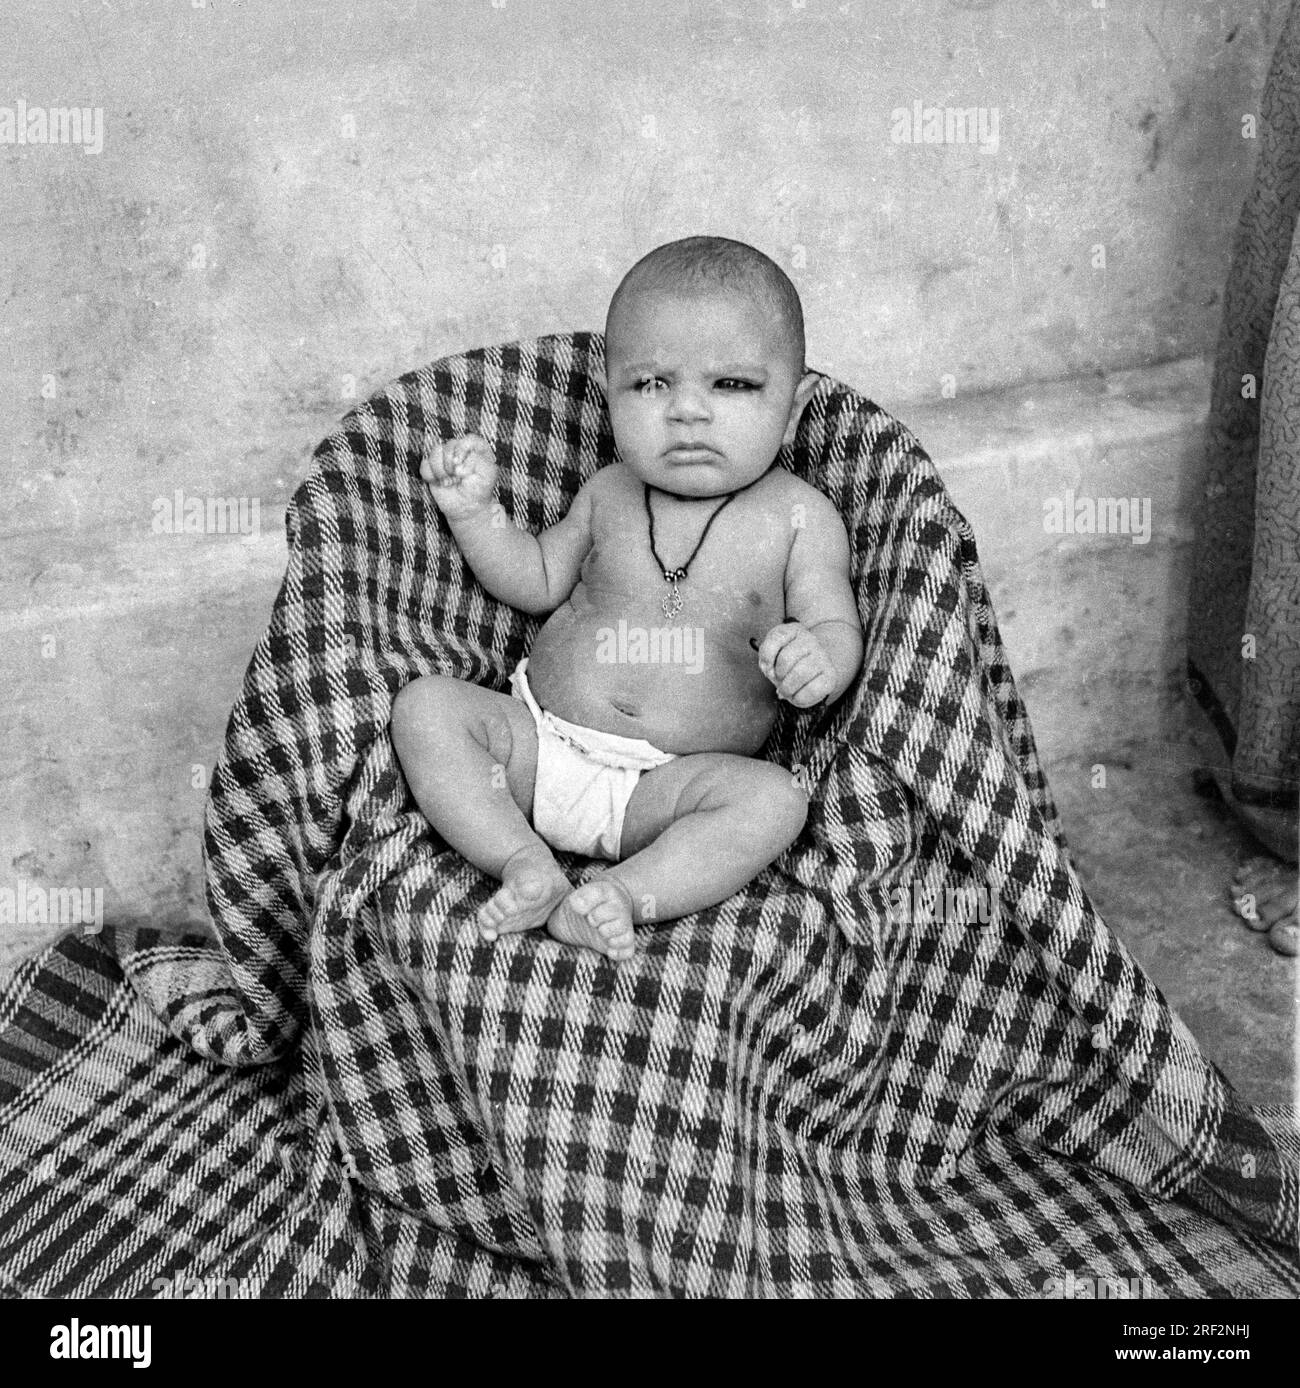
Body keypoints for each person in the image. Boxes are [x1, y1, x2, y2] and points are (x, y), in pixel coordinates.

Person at [390, 236, 864, 961]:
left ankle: (620, 892)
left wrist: (817, 659)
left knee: (775, 802)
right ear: (609, 390)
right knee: (425, 708)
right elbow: (536, 579)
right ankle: (524, 863)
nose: (688, 413)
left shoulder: (798, 518)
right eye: (651, 385)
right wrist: (476, 515)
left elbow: (833, 622)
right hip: (533, 749)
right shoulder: (608, 492)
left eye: (732, 385)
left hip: (669, 793)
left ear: (794, 406)